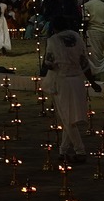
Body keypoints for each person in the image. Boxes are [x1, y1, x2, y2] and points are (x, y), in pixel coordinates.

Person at [41, 20, 95, 160]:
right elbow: (84, 63)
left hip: (63, 81)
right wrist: (93, 82)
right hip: (78, 81)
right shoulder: (77, 38)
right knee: (69, 117)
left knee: (67, 118)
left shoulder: (53, 40)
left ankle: (80, 150)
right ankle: (63, 150)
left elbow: (49, 64)